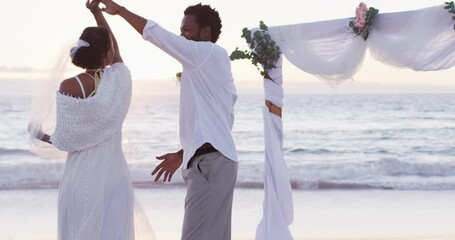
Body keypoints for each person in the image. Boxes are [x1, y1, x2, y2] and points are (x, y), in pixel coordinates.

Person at [99, 1, 239, 239]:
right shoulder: (211, 65)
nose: (181, 35)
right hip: (215, 160)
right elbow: (217, 122)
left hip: (211, 164)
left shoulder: (206, 53)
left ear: (205, 32)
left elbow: (158, 35)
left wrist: (120, 11)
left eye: (186, 30)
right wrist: (184, 153)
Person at [28, 1, 154, 239]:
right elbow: (115, 47)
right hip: (115, 176)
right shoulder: (120, 79)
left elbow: (64, 141)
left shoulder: (69, 86)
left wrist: (39, 134)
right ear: (107, 53)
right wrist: (97, 13)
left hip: (81, 177)